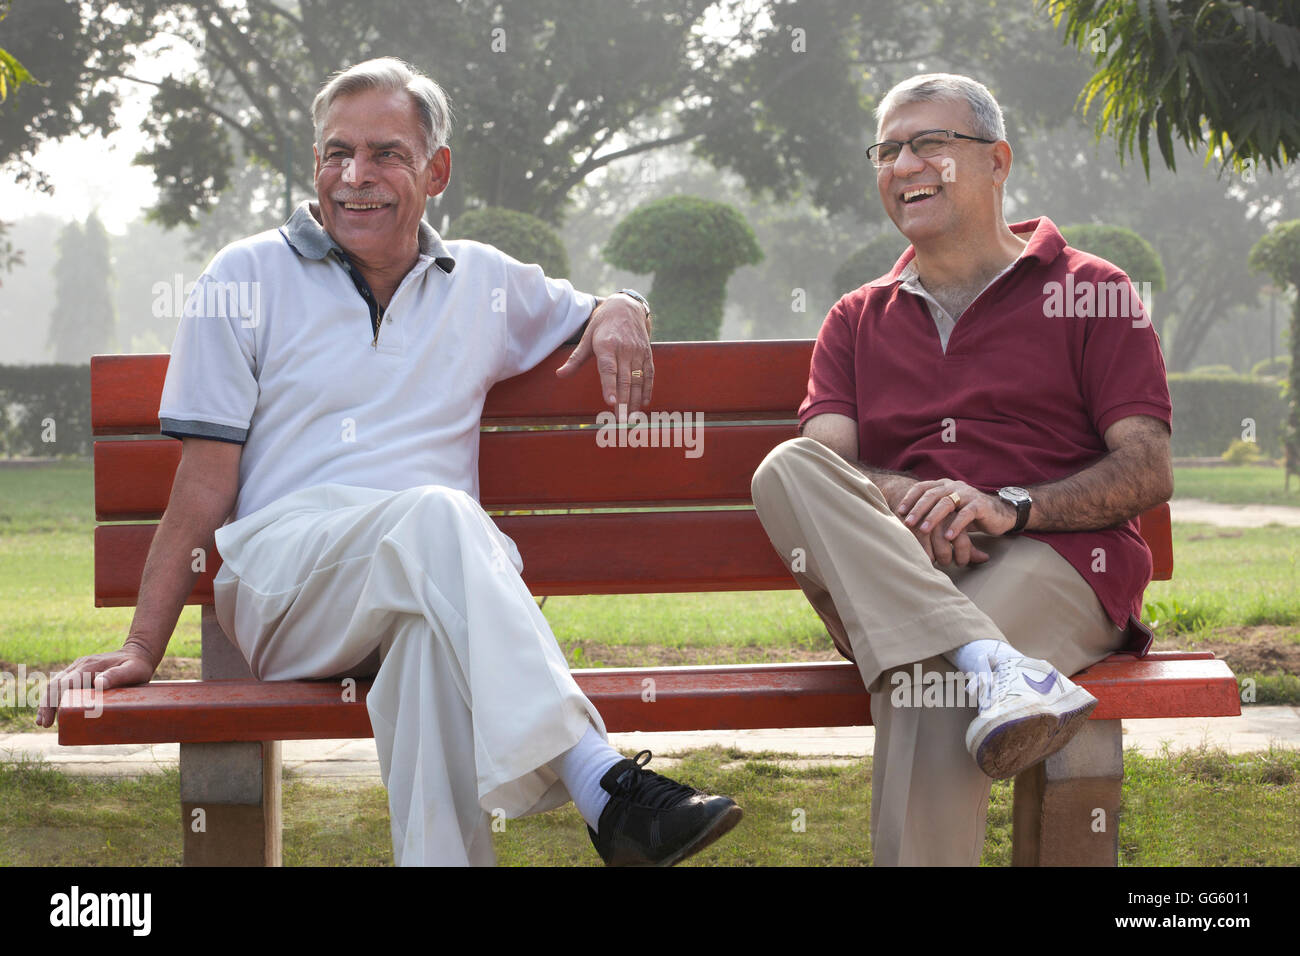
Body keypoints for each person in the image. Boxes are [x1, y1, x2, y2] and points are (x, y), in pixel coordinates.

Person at [37, 56, 741, 867]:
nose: (354, 177)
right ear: (314, 165)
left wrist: (625, 305)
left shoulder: (482, 281)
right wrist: (141, 649)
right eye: (337, 153)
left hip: (433, 591)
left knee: (430, 657)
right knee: (438, 511)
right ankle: (601, 781)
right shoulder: (243, 276)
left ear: (435, 169)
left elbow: (593, 304)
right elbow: (202, 483)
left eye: (386, 154)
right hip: (287, 583)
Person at [750, 73, 1173, 866]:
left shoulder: (1092, 291)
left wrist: (1006, 507)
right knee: (785, 466)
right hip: (907, 565)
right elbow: (824, 472)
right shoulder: (854, 318)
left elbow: (1147, 469)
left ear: (996, 161)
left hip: (1057, 560)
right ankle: (997, 665)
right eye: (888, 149)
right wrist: (920, 500)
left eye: (931, 144)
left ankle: (974, 660)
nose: (904, 164)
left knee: (926, 692)